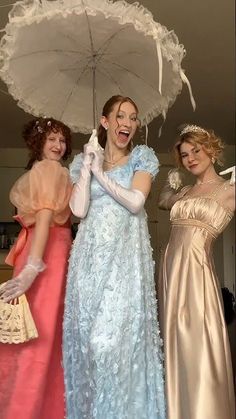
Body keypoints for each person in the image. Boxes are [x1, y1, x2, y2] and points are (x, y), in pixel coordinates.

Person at [63, 95, 166, 419]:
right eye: (121, 116)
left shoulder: (142, 157)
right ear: (106, 121)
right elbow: (78, 210)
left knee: (110, 345)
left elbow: (136, 202)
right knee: (88, 347)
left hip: (124, 265)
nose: (128, 123)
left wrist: (102, 175)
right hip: (89, 263)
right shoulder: (83, 162)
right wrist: (87, 168)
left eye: (133, 117)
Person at [158, 124, 235, 419]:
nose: (190, 159)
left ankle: (206, 411)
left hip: (196, 272)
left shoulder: (229, 190)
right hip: (170, 273)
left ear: (211, 150)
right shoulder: (186, 190)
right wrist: (171, 181)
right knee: (174, 338)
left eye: (196, 151)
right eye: (185, 155)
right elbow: (164, 201)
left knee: (197, 340)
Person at [0, 117, 73, 419]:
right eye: (51, 139)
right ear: (39, 142)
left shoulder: (47, 171)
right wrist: (34, 266)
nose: (58, 146)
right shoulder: (49, 170)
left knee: (32, 329)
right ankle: (31, 408)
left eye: (62, 140)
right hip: (47, 254)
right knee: (41, 330)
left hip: (41, 251)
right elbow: (44, 216)